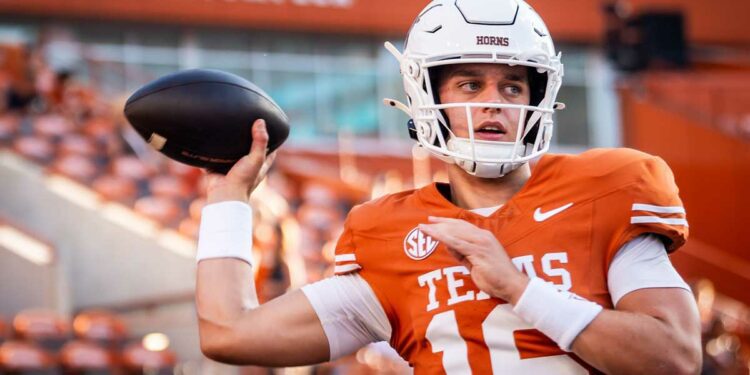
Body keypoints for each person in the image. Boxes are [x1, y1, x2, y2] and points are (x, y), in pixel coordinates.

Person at [195, 0, 702, 373]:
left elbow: (673, 358)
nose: (494, 103)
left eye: (512, 86)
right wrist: (227, 198)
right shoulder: (388, 235)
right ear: (425, 95)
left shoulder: (605, 191)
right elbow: (230, 333)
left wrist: (519, 289)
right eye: (469, 84)